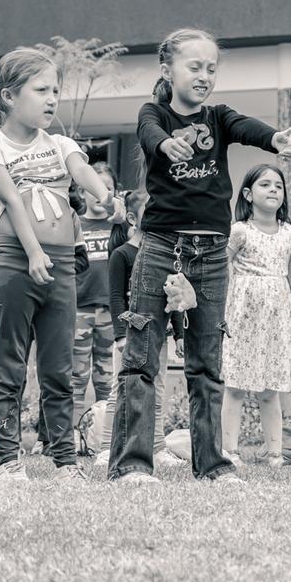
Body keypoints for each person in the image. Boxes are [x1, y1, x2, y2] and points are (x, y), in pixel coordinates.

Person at [110, 28, 291, 485]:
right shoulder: (154, 113)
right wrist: (164, 144)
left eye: (211, 68)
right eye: (194, 67)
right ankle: (132, 465)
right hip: (161, 247)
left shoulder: (218, 117)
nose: (204, 76)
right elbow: (149, 131)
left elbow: (246, 127)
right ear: (167, 70)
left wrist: (274, 138)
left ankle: (213, 465)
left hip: (211, 253)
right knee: (141, 360)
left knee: (207, 365)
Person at [0, 47, 114, 484]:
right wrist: (34, 252)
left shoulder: (60, 143)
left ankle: (65, 462)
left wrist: (106, 196)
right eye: (41, 90)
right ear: (8, 96)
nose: (52, 99)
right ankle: (8, 460)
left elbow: (83, 173)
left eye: (55, 91)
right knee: (10, 364)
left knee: (59, 369)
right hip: (16, 261)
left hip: (63, 266)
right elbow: (13, 201)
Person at [220, 164, 291, 467]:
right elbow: (221, 268)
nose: (273, 189)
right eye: (265, 184)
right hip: (242, 317)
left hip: (276, 320)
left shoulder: (290, 235)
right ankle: (230, 452)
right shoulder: (239, 231)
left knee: (271, 389)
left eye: (278, 186)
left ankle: (275, 454)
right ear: (248, 194)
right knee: (235, 385)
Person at [93, 189, 185, 470]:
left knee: (156, 390)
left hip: (160, 336)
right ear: (132, 218)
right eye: (151, 209)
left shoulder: (168, 255)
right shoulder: (122, 255)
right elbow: (115, 298)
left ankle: (157, 447)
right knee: (119, 390)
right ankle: (106, 447)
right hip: (130, 336)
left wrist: (179, 334)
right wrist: (120, 335)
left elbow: (175, 296)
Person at [71, 161, 124, 433]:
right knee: (76, 377)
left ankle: (103, 435)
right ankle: (73, 435)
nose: (101, 194)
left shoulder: (119, 227)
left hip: (110, 312)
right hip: (79, 310)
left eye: (108, 188)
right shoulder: (75, 224)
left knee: (106, 377)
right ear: (82, 191)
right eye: (94, 188)